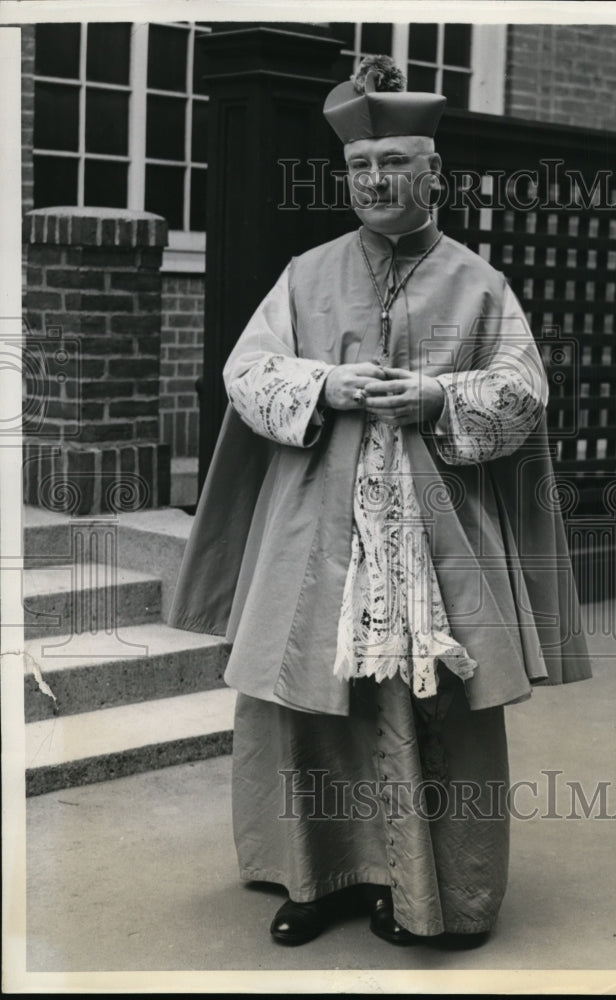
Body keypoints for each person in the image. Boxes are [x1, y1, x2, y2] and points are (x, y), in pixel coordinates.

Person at [169, 55, 591, 949]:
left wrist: (439, 399)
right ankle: (315, 877)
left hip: (439, 542)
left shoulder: (480, 284)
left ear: (432, 176)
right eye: (359, 169)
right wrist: (325, 384)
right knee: (308, 699)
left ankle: (438, 890)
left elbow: (524, 390)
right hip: (316, 530)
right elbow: (246, 374)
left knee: (430, 702)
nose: (373, 182)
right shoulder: (306, 274)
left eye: (392, 165)